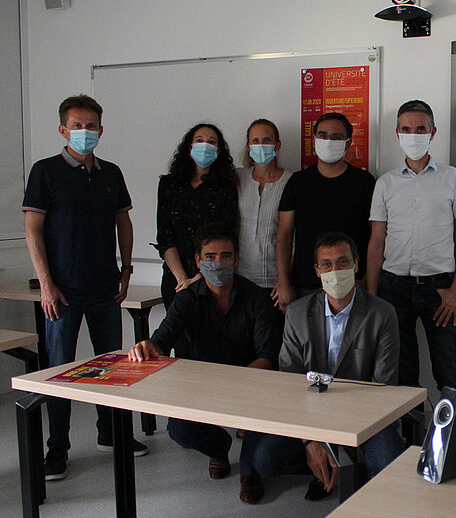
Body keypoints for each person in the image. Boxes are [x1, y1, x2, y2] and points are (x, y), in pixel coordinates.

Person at [22, 94, 147, 481]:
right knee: (60, 371)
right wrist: (46, 285)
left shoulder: (111, 173)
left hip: (105, 288)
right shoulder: (45, 172)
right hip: (62, 292)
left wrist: (127, 269)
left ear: (101, 130)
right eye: (77, 126)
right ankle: (57, 447)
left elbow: (123, 222)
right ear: (63, 130)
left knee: (111, 367)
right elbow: (32, 230)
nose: (84, 132)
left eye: (91, 126)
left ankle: (111, 433)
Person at [246, 231, 405, 502]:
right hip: (310, 414)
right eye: (327, 264)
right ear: (317, 270)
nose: (335, 270)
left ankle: (345, 466)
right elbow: (290, 383)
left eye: (343, 262)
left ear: (356, 265)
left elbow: (383, 388)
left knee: (391, 470)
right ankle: (324, 466)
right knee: (265, 461)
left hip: (366, 416)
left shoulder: (382, 313)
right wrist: (312, 439)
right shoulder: (297, 313)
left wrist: (339, 440)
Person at [127, 222, 276, 502]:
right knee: (179, 430)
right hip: (200, 387)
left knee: (261, 411)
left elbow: (267, 358)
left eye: (225, 256)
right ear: (198, 261)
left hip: (250, 383)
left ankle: (249, 470)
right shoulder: (187, 299)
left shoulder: (257, 298)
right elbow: (161, 340)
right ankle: (219, 448)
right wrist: (147, 346)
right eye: (210, 257)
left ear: (236, 259)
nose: (218, 263)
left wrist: (234, 382)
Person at [367, 100, 456, 392]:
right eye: (406, 129)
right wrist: (373, 296)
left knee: (449, 375)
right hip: (393, 289)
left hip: (439, 291)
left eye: (420, 129)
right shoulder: (385, 183)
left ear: (432, 132)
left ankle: (453, 426)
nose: (412, 135)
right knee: (402, 378)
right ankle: (409, 426)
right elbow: (376, 242)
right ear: (397, 133)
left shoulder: (452, 178)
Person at [274, 112, 375, 310]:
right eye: (323, 135)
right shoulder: (298, 182)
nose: (329, 141)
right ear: (314, 140)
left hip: (351, 284)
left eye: (336, 137)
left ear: (348, 143)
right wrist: (284, 282)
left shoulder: (365, 182)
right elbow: (284, 234)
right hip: (305, 286)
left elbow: (375, 237)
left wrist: (367, 280)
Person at [156, 123, 238, 315]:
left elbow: (226, 235)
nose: (205, 145)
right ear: (189, 147)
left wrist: (199, 278)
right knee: (177, 331)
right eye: (199, 140)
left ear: (218, 151)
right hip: (175, 277)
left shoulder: (226, 187)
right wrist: (182, 279)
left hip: (213, 278)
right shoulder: (169, 184)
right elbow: (165, 237)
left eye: (211, 142)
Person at [236, 118, 291, 362]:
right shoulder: (237, 178)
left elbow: (291, 236)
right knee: (242, 352)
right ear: (248, 147)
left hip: (274, 286)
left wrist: (284, 280)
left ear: (277, 145)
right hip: (239, 282)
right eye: (255, 141)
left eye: (266, 140)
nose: (261, 145)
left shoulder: (291, 181)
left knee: (271, 352)